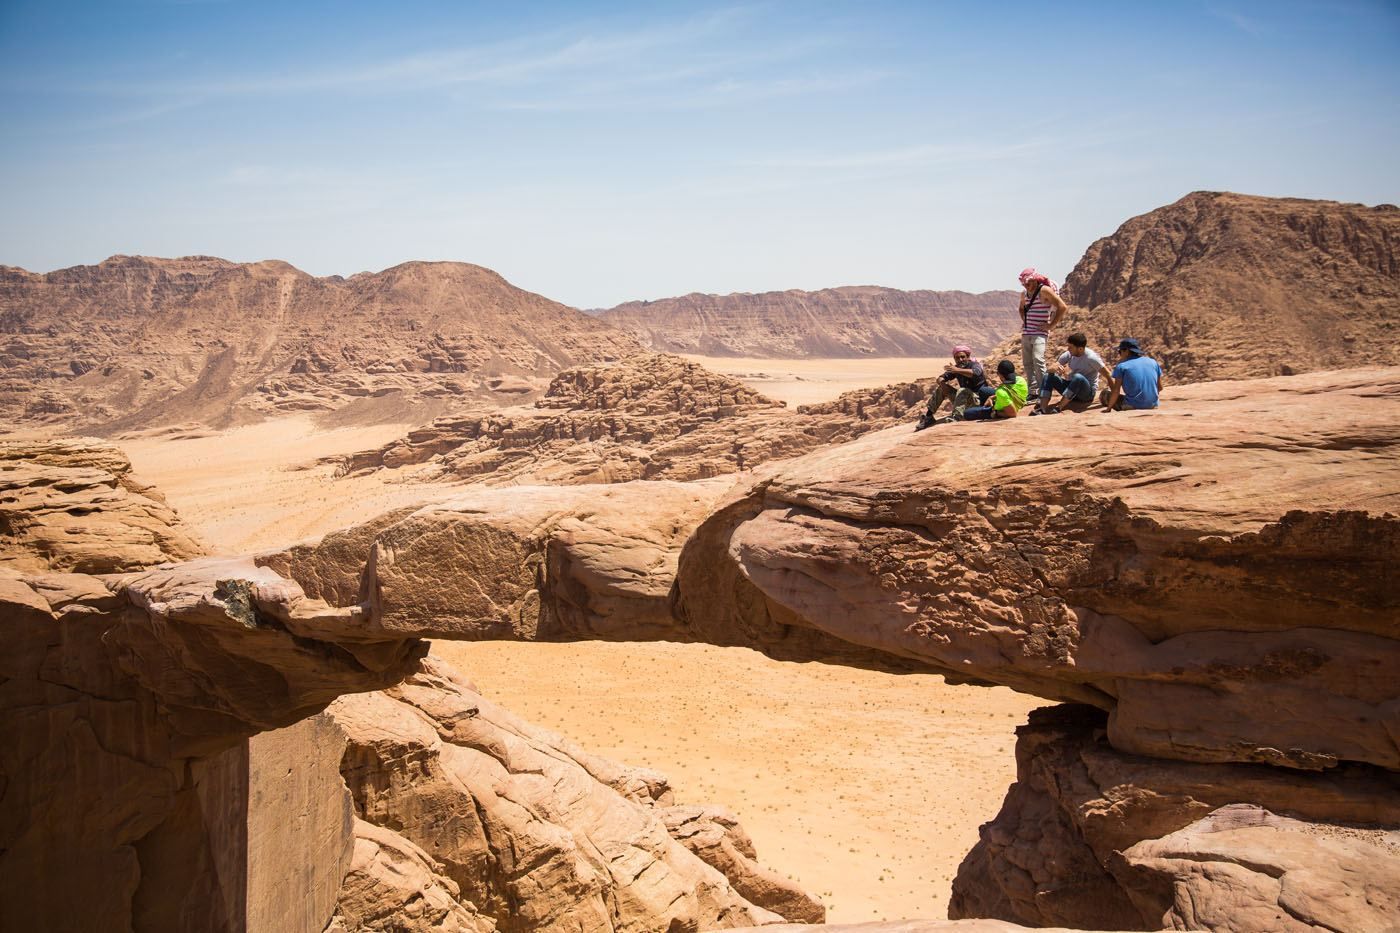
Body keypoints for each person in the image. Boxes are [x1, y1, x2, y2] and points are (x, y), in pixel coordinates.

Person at [1017, 267, 1068, 399]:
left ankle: (1044, 391)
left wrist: (1051, 325)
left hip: (1040, 333)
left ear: (1034, 280)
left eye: (1028, 283)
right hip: (1026, 332)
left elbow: (1062, 306)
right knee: (1028, 363)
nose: (1026, 286)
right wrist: (1025, 321)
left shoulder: (1044, 291)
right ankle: (1033, 392)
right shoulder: (1024, 294)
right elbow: (1021, 309)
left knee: (1038, 360)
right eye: (1024, 284)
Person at [916, 345, 995, 429]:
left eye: (962, 357)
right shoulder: (956, 368)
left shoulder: (974, 365)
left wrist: (957, 370)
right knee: (942, 388)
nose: (960, 360)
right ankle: (929, 417)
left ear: (968, 357)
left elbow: (976, 373)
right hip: (964, 401)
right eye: (957, 358)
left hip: (978, 401)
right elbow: (940, 378)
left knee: (963, 390)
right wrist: (942, 384)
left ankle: (957, 417)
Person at [1032, 332, 1112, 414]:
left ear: (1080, 349)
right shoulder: (1069, 354)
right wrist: (1053, 369)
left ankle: (1059, 408)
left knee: (1078, 377)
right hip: (1071, 389)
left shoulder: (1091, 358)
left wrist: (1113, 396)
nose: (1068, 349)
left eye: (1071, 347)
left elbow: (1108, 375)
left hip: (1086, 394)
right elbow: (1050, 369)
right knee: (1048, 376)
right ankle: (1042, 408)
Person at [1100, 338, 1164, 411]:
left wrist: (1109, 408)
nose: (1119, 354)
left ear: (1126, 351)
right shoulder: (1153, 362)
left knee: (1105, 394)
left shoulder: (1122, 366)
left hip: (1132, 405)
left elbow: (1116, 391)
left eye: (1120, 351)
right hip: (1153, 404)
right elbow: (1160, 387)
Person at [961, 359, 1028, 421]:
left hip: (1002, 409)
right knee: (983, 390)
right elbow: (1008, 392)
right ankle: (983, 408)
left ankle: (984, 410)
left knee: (967, 413)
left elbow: (1012, 414)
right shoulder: (1021, 380)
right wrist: (992, 397)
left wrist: (995, 413)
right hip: (1009, 399)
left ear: (1000, 374)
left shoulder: (1001, 392)